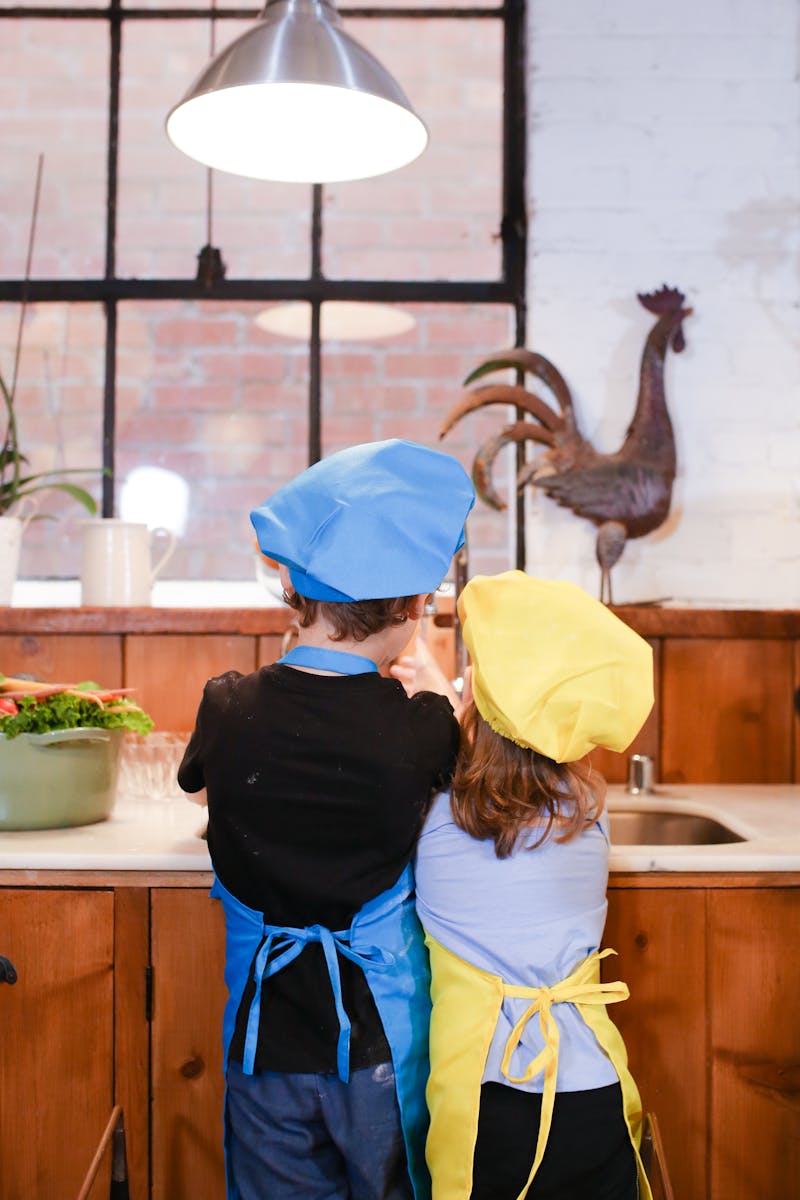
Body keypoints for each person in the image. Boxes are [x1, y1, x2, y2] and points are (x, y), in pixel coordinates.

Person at [177, 439, 475, 1200]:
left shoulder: (227, 704)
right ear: (414, 607)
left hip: (262, 1038)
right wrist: (441, 697)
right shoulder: (423, 728)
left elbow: (201, 790)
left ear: (292, 591)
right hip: (378, 1045)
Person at [411, 570, 655, 1200]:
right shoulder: (589, 823)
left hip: (486, 1106)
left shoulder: (434, 824)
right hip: (592, 1092)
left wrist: (444, 699)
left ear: (477, 700)